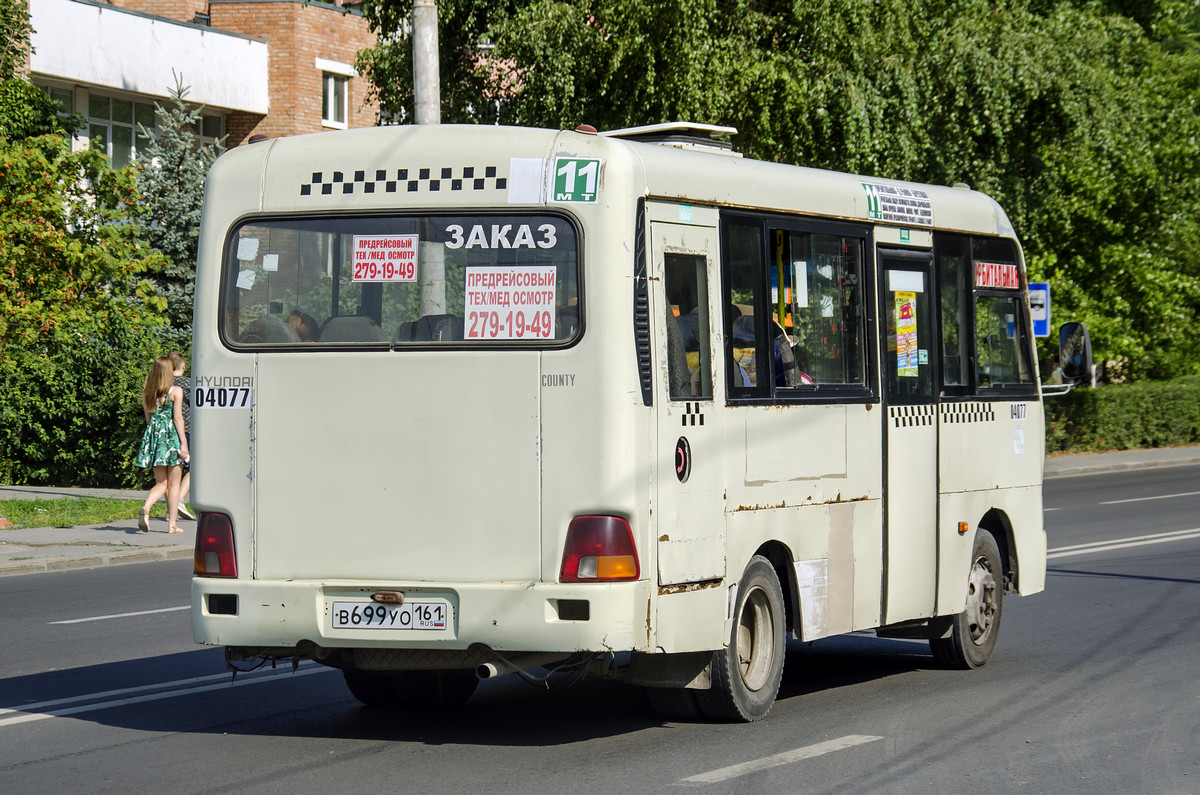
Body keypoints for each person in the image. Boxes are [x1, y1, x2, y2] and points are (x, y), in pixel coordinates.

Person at [135, 357, 189, 534]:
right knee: (174, 484)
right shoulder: (176, 391)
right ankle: (172, 524)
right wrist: (184, 443)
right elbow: (178, 419)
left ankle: (147, 507)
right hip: (171, 438)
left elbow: (148, 419)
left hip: (155, 439)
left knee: (161, 483)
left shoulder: (147, 392)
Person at [168, 351, 194, 520]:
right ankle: (179, 499)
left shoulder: (163, 383)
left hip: (167, 431)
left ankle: (171, 507)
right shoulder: (187, 383)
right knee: (196, 468)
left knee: (171, 470)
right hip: (185, 429)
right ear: (183, 366)